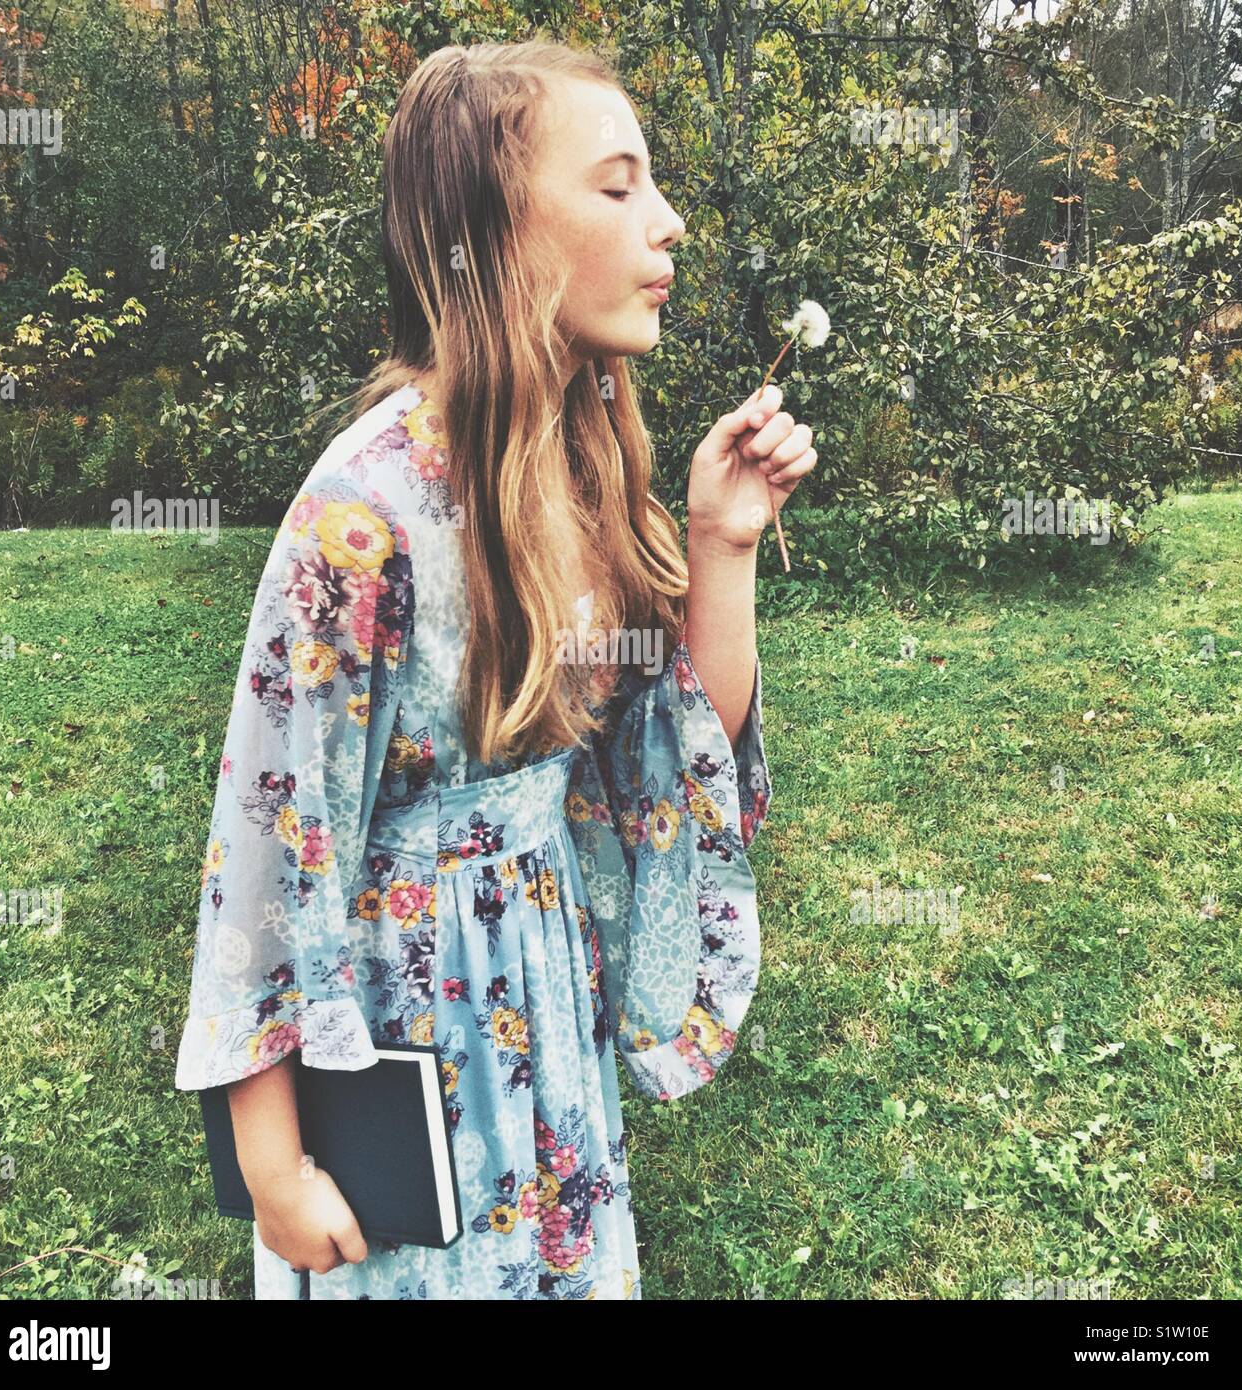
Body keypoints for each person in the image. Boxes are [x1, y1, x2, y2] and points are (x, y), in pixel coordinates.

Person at [173, 36, 816, 1300]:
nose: (669, 223)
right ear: (501, 233)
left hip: (541, 999)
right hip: (399, 1056)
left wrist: (718, 541)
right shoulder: (363, 517)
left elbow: (671, 759)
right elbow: (269, 841)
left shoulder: (582, 471)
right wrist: (271, 1167)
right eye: (619, 185)